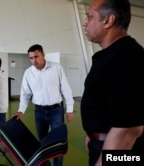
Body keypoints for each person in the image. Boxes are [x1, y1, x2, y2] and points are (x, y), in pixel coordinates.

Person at [81, 0, 144, 165]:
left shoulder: (126, 58)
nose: (84, 22)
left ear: (108, 20)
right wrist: (93, 133)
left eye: (89, 17)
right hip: (102, 142)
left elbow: (128, 129)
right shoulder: (112, 55)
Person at [13, 44, 74, 166]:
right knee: (42, 143)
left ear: (43, 55)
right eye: (31, 58)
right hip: (39, 112)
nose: (34, 60)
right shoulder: (28, 73)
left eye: (36, 56)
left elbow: (66, 89)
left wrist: (70, 109)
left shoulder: (56, 68)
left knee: (58, 143)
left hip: (56, 111)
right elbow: (25, 94)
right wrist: (21, 110)